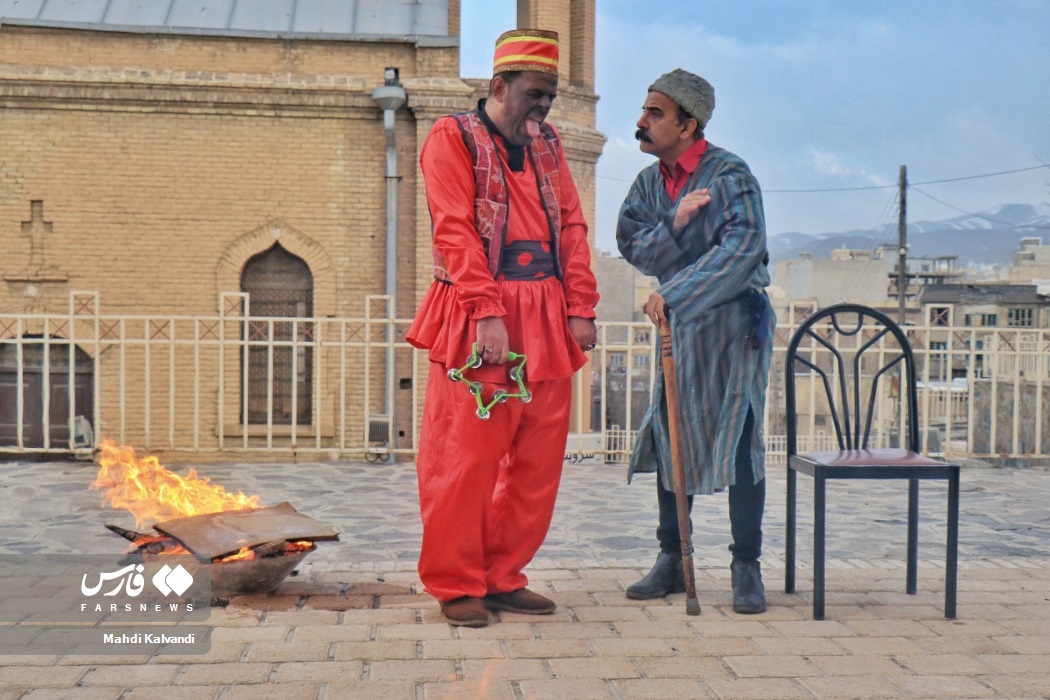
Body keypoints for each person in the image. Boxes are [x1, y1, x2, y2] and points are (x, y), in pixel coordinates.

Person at [406, 29, 599, 628]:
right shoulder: (451, 138)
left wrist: (581, 306)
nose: (542, 107)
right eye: (535, 94)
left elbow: (570, 224)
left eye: (550, 96)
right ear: (499, 86)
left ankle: (502, 575)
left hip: (545, 313)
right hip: (479, 312)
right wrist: (487, 312)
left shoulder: (549, 143)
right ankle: (457, 582)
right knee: (466, 457)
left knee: (537, 458)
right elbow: (454, 230)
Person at [616, 68, 775, 614]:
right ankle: (669, 560)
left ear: (688, 125)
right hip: (678, 329)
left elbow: (744, 249)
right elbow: (636, 247)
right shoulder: (647, 185)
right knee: (670, 434)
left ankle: (745, 566)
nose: (641, 122)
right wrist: (676, 224)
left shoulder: (730, 174)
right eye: (644, 109)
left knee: (738, 437)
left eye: (654, 113)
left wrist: (678, 292)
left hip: (732, 326)